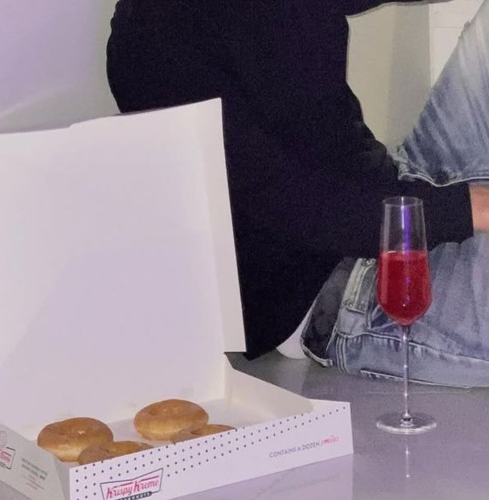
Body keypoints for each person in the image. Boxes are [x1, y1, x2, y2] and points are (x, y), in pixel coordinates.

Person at [106, 0, 489, 386]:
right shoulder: (153, 34)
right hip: (332, 287)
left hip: (391, 196)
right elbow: (290, 206)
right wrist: (462, 210)